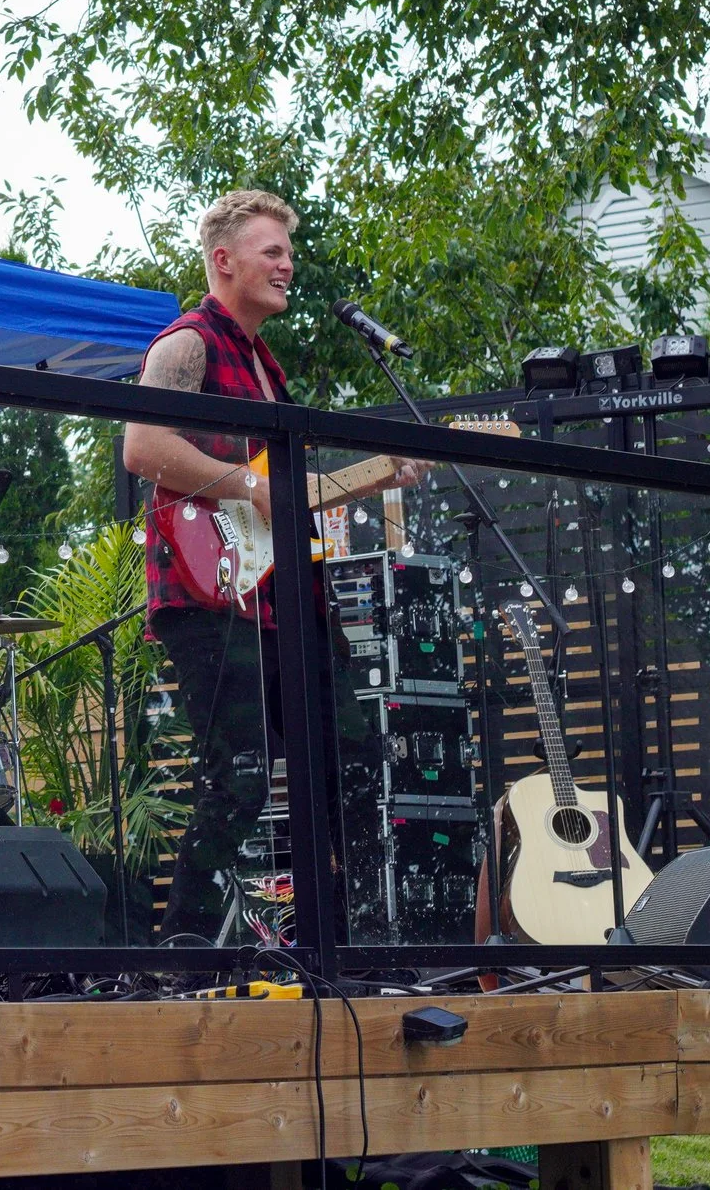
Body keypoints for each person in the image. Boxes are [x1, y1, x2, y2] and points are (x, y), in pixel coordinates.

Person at [121, 189, 421, 940]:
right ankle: (184, 951)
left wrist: (378, 473)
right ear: (223, 260)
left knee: (352, 761)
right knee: (241, 777)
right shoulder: (185, 343)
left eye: (288, 252)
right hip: (209, 597)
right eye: (272, 251)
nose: (289, 264)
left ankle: (346, 942)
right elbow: (144, 448)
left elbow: (290, 497)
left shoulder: (265, 365)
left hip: (286, 598)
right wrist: (252, 486)